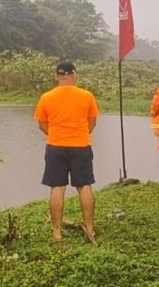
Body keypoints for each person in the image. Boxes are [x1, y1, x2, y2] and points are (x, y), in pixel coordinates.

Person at [34, 62, 99, 242]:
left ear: (57, 76)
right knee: (84, 186)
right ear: (74, 75)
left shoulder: (46, 97)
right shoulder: (87, 96)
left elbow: (41, 124)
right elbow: (92, 122)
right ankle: (90, 229)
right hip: (81, 146)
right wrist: (80, 135)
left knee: (57, 187)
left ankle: (57, 232)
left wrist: (56, 135)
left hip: (55, 147)